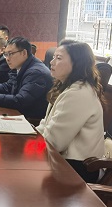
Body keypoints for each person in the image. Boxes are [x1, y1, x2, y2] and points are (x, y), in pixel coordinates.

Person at [35, 40, 105, 183]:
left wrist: (30, 145)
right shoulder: (66, 86)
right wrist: (28, 136)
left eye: (59, 58)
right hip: (63, 159)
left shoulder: (78, 93)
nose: (51, 62)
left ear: (77, 64)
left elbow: (54, 142)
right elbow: (47, 124)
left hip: (79, 167)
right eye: (53, 57)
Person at [0, 36, 52, 120]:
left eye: (10, 54)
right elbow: (8, 86)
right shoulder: (19, 66)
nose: (7, 59)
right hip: (18, 113)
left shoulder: (36, 73)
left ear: (24, 53)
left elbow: (20, 101)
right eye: (6, 54)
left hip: (31, 119)